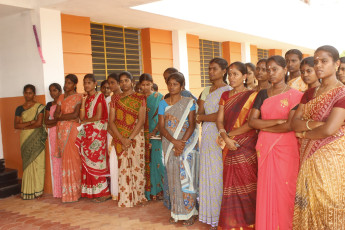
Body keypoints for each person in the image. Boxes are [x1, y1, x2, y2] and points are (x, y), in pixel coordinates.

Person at [292, 45, 345, 229]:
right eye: (316, 61)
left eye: (324, 61)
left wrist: (304, 133)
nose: (319, 65)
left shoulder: (342, 93)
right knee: (308, 203)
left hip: (330, 158)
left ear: (337, 64)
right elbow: (294, 123)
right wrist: (313, 125)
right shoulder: (309, 93)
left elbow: (330, 130)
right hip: (308, 156)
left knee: (329, 203)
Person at [248, 56, 303, 229]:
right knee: (267, 189)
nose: (270, 73)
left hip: (287, 148)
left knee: (285, 189)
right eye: (267, 70)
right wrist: (277, 122)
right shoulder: (262, 94)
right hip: (265, 147)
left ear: (285, 69)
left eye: (274, 69)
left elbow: (289, 126)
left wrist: (264, 127)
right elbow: (251, 122)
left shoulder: (296, 96)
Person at [216, 62, 258, 229]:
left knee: (248, 186)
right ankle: (231, 224)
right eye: (230, 74)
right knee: (229, 185)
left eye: (235, 74)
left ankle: (250, 224)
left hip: (247, 146)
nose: (231, 78)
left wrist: (229, 136)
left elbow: (251, 124)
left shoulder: (254, 95)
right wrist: (225, 137)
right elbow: (219, 120)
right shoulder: (225, 96)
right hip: (228, 144)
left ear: (245, 76)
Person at [158, 72, 199, 226]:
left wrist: (181, 143)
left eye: (175, 84)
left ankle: (189, 213)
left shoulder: (189, 102)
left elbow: (192, 124)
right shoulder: (163, 103)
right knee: (173, 178)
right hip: (170, 144)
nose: (172, 87)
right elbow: (162, 127)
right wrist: (174, 142)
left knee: (187, 177)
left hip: (186, 146)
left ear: (182, 86)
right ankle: (176, 212)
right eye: (169, 84)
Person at [197, 58, 231, 229]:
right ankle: (209, 214)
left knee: (218, 173)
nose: (211, 72)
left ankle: (220, 216)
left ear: (224, 71)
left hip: (220, 135)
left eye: (215, 69)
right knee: (207, 172)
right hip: (207, 134)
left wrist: (203, 118)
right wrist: (204, 117)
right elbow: (199, 112)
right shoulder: (206, 90)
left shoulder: (229, 90)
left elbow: (221, 116)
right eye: (209, 69)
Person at [109, 71, 147, 207]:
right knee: (123, 167)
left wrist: (129, 139)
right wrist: (122, 138)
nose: (124, 83)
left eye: (126, 80)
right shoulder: (115, 99)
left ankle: (138, 197)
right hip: (119, 136)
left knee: (137, 166)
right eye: (121, 81)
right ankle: (126, 199)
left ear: (132, 82)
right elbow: (111, 121)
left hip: (136, 136)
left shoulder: (140, 98)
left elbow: (141, 120)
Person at [76, 74, 110, 202]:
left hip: (97, 134)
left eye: (89, 82)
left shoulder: (99, 96)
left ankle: (104, 192)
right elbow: (82, 117)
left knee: (97, 162)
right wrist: (83, 102)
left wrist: (85, 122)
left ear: (95, 84)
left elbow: (98, 116)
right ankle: (92, 192)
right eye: (85, 83)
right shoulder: (87, 98)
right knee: (87, 161)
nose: (86, 85)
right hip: (88, 133)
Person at [14, 84, 47, 200]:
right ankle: (28, 191)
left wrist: (25, 126)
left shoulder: (40, 107)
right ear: (23, 93)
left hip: (37, 138)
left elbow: (39, 124)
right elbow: (16, 125)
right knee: (27, 164)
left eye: (30, 93)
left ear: (34, 94)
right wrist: (30, 123)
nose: (28, 95)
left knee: (38, 163)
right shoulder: (19, 108)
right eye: (26, 93)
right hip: (25, 139)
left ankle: (38, 190)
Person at [55, 74, 82, 203]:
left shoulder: (78, 97)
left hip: (72, 130)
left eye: (69, 83)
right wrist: (66, 117)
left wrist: (62, 117)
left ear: (75, 85)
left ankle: (76, 191)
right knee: (65, 158)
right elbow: (56, 114)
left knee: (74, 158)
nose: (66, 85)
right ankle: (68, 192)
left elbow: (76, 114)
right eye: (65, 82)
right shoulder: (61, 97)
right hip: (61, 131)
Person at [139, 73, 165, 200]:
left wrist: (154, 131)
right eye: (143, 85)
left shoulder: (159, 97)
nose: (145, 87)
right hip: (141, 135)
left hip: (156, 134)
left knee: (157, 161)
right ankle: (147, 193)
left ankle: (159, 191)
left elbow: (162, 116)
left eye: (148, 84)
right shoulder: (138, 98)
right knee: (145, 163)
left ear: (152, 84)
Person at [44, 83, 62, 198]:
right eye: (50, 91)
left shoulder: (63, 102)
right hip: (52, 134)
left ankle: (67, 189)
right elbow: (46, 122)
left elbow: (61, 119)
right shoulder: (49, 105)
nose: (52, 93)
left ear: (60, 91)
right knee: (55, 159)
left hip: (62, 132)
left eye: (55, 90)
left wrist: (54, 122)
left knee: (64, 159)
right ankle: (58, 191)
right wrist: (56, 122)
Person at [107, 72, 121, 200]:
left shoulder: (122, 97)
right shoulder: (111, 98)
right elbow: (109, 120)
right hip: (112, 134)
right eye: (109, 83)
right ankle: (116, 193)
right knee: (113, 162)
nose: (110, 85)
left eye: (112, 82)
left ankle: (123, 191)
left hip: (122, 134)